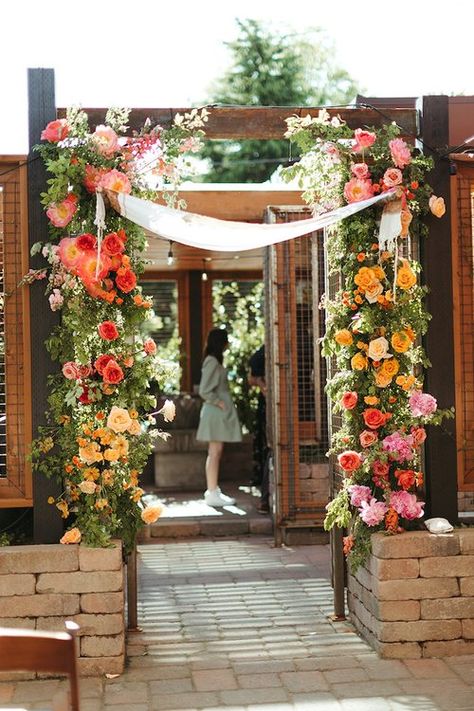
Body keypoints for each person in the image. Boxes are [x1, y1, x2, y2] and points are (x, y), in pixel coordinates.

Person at [196, 328, 242, 506]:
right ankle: (212, 491)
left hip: (216, 413)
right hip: (215, 413)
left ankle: (213, 490)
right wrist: (218, 401)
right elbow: (204, 390)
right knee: (214, 453)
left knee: (215, 453)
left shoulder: (213, 361)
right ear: (221, 342)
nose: (228, 343)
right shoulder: (212, 362)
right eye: (226, 340)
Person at [248, 345, 270, 514]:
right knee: (268, 448)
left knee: (267, 449)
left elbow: (251, 378)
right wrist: (263, 385)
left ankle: (265, 499)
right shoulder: (261, 353)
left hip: (267, 405)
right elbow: (251, 378)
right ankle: (265, 499)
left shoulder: (260, 353)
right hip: (268, 406)